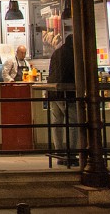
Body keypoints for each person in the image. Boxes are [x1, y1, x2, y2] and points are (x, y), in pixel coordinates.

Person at [47, 34, 78, 167]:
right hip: (67, 91)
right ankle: (71, 154)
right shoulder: (74, 54)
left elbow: (51, 72)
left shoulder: (56, 52)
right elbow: (75, 73)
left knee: (57, 122)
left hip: (53, 92)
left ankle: (59, 153)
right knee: (73, 122)